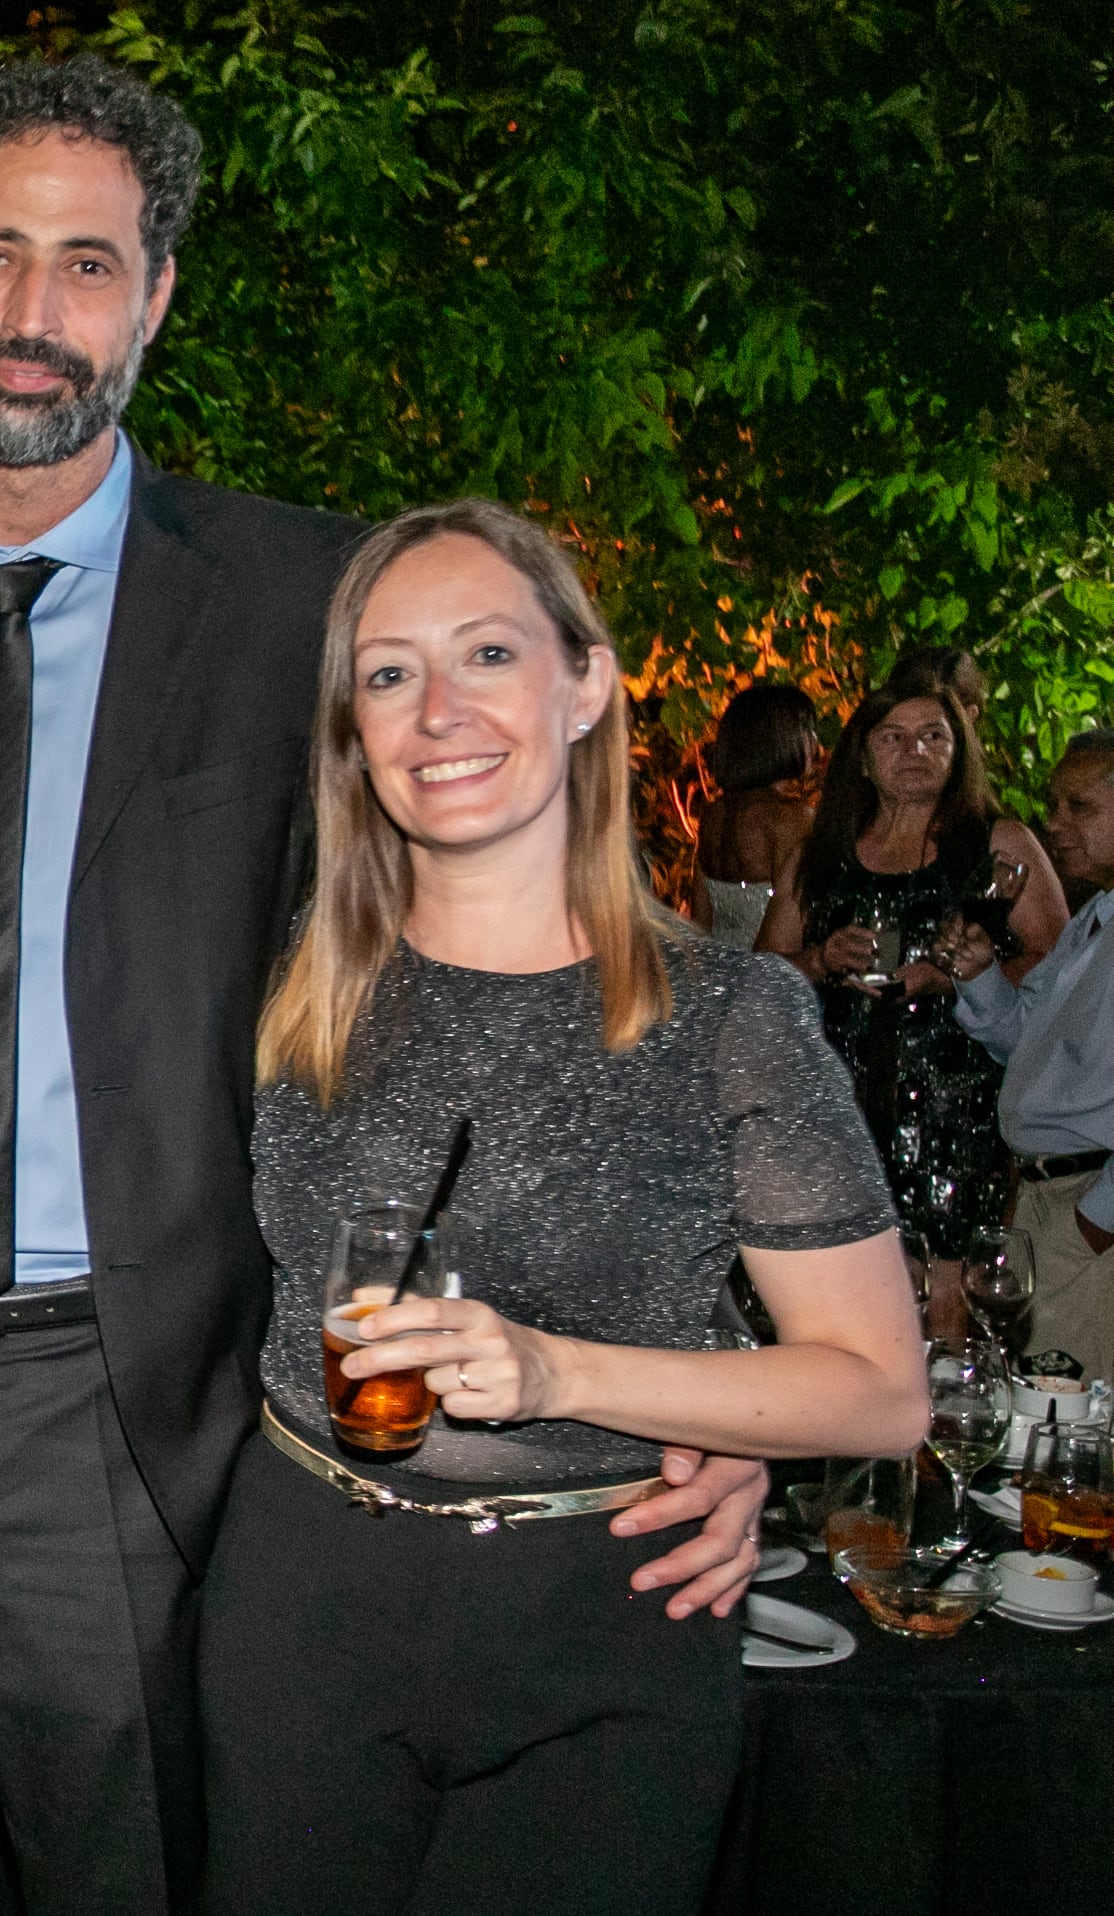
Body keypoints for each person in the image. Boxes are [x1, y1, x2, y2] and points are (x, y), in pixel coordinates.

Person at [0, 55, 774, 1914]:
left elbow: (470, 997)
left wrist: (689, 1380)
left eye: (86, 265)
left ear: (154, 296)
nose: (32, 315)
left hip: (128, 1410)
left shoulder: (301, 602)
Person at [200, 497, 927, 1916]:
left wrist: (566, 1374)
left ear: (584, 685)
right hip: (297, 1602)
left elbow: (878, 1392)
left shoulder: (728, 1015)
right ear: (351, 725)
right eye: (387, 672)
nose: (435, 711)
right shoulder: (282, 983)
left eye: (485, 654)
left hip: (603, 1628)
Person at [756, 683, 1066, 1317]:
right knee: (843, 1313)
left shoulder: (994, 843)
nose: (915, 751)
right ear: (863, 758)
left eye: (934, 736)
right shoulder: (822, 853)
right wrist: (819, 960)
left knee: (946, 1310)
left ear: (959, 751)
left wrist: (956, 976)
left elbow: (1062, 970)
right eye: (893, 738)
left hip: (958, 1110)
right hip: (837, 1108)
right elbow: (758, 979)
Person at [951, 730, 1114, 1378]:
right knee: (1033, 1415)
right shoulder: (1097, 915)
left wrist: (1092, 1226)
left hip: (1085, 1211)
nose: (1056, 825)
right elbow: (1030, 1042)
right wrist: (978, 975)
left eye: (1081, 807)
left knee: (1070, 1427)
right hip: (1045, 1201)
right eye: (1055, 804)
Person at [694, 682, 817, 947]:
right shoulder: (791, 819)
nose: (815, 742)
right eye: (807, 729)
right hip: (770, 978)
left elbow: (700, 920)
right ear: (780, 739)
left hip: (721, 971)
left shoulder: (714, 815)